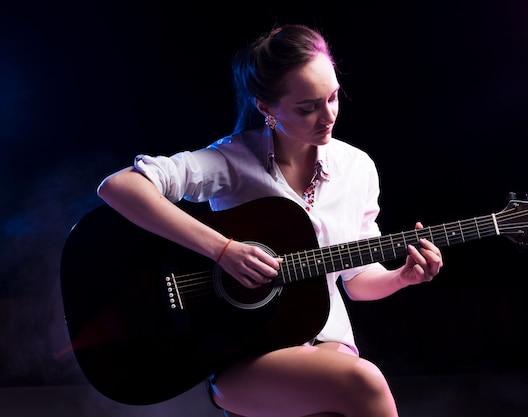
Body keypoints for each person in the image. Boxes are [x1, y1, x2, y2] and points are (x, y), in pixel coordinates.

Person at [97, 23, 443, 417]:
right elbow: (118, 187)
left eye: (332, 98)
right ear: (266, 107)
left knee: (356, 378)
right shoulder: (231, 161)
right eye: (307, 106)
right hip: (246, 355)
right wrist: (223, 250)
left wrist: (403, 277)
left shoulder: (358, 168)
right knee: (365, 382)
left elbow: (358, 282)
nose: (327, 115)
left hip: (330, 347)